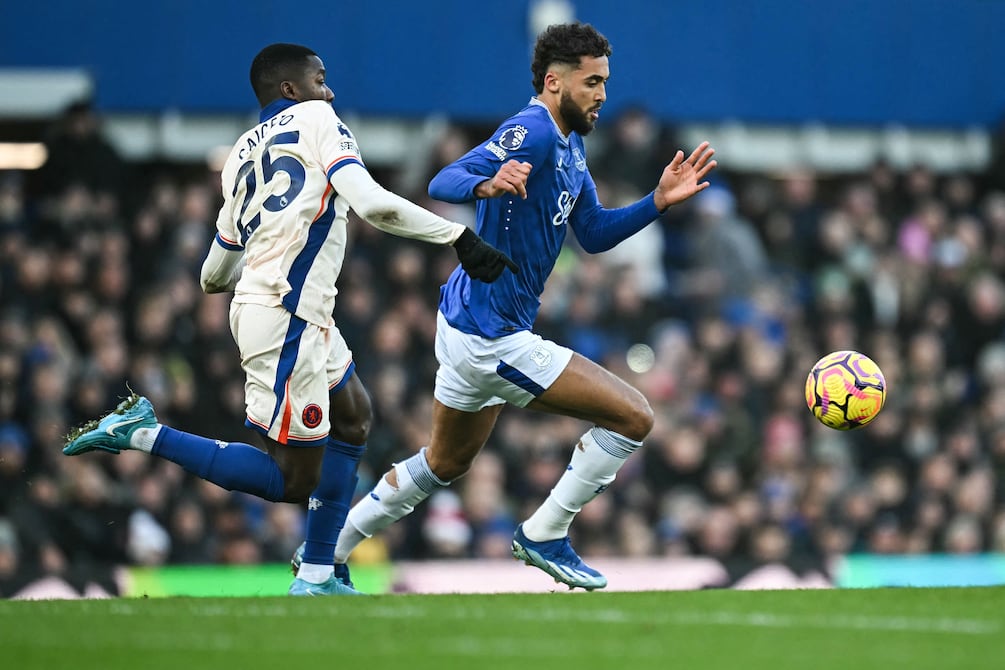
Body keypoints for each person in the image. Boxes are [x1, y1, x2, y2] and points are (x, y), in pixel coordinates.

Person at [62, 43, 516, 596]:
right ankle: (143, 433)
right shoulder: (322, 120)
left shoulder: (237, 157)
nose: (330, 90)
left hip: (293, 309)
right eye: (320, 79)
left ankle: (319, 573)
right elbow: (372, 204)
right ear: (290, 89)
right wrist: (458, 236)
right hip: (286, 316)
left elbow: (212, 273)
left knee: (355, 415)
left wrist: (264, 259)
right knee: (294, 479)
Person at [327, 22, 716, 590]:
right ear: (554, 82)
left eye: (605, 82)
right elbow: (445, 179)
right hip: (492, 336)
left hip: (469, 325)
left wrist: (656, 202)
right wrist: (485, 186)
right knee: (635, 416)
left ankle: (327, 552)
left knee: (444, 462)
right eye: (592, 82)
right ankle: (546, 532)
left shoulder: (571, 145)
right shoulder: (530, 131)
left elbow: (595, 233)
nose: (602, 94)